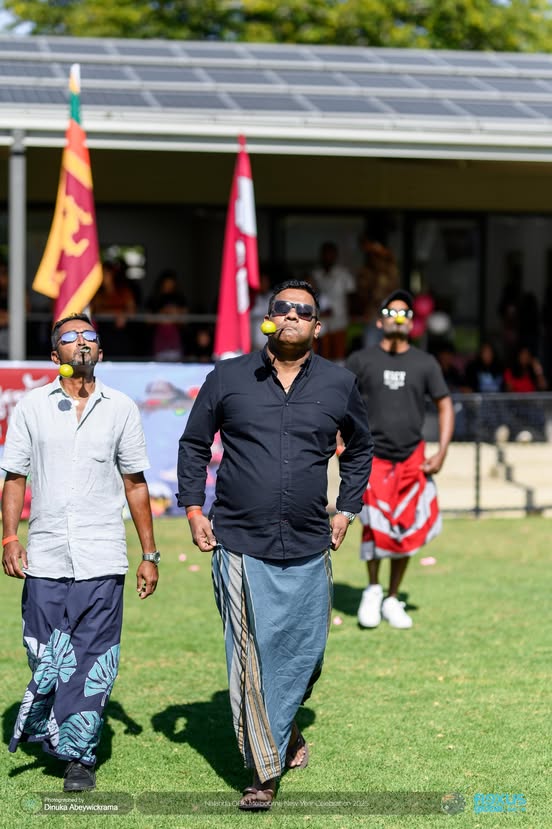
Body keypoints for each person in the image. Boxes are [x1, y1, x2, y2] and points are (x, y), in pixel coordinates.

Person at [177, 280, 373, 811]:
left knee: (305, 656)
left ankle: (283, 729)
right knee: (250, 659)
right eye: (281, 309)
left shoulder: (339, 382)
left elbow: (360, 447)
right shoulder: (229, 377)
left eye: (302, 311)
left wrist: (348, 508)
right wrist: (194, 508)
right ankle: (263, 772)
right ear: (268, 318)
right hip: (238, 541)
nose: (290, 316)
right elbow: (195, 443)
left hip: (310, 541)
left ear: (317, 325)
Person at [1, 313, 159, 792]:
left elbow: (135, 483)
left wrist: (149, 553)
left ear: (101, 353)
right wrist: (10, 536)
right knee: (44, 652)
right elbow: (14, 477)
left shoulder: (122, 408)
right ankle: (50, 720)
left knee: (93, 656)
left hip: (103, 556)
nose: (81, 342)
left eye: (90, 336)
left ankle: (78, 757)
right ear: (55, 356)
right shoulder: (31, 407)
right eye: (69, 338)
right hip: (45, 555)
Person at [346, 289, 454, 630]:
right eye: (392, 313)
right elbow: (340, 399)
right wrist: (338, 439)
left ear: (412, 323)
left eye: (405, 314)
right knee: (374, 526)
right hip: (372, 457)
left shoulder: (425, 362)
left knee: (406, 527)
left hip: (412, 458)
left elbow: (445, 404)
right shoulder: (362, 360)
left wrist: (443, 450)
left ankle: (393, 598)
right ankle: (373, 590)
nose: (398, 319)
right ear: (380, 320)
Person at [311, 241, 356, 361]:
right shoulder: (315, 274)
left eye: (331, 254)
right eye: (325, 254)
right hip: (321, 322)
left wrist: (352, 316)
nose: (327, 257)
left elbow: (352, 297)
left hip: (339, 321)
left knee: (339, 355)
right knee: (322, 356)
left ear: (336, 256)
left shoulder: (344, 274)